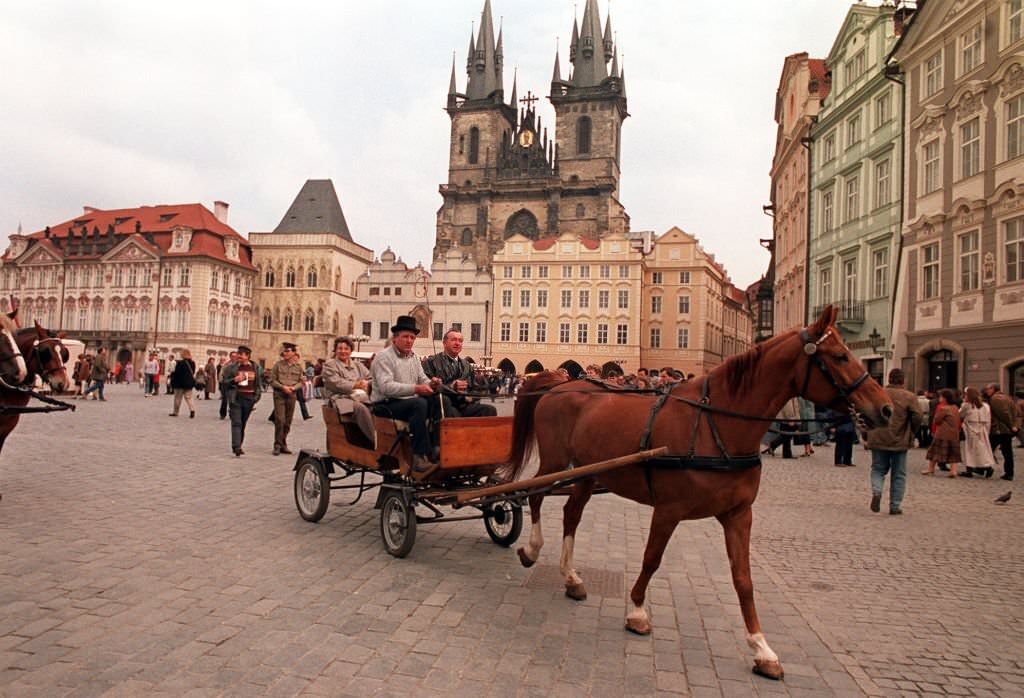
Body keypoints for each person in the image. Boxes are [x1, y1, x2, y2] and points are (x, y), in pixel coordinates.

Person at [371, 315, 442, 480]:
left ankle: (437, 447)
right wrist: (416, 388)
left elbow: (422, 379)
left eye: (412, 337)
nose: (409, 340)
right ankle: (419, 457)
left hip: (406, 402)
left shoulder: (414, 357)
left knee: (440, 400)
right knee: (419, 404)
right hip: (385, 404)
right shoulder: (384, 357)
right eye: (405, 337)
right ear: (395, 338)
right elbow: (386, 387)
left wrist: (432, 383)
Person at [864, 368, 923, 515]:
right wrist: (911, 431)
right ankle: (895, 506)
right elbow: (918, 416)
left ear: (889, 379)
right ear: (903, 380)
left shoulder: (878, 393)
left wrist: (866, 433)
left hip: (877, 436)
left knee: (878, 469)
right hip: (899, 438)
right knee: (899, 474)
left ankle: (877, 492)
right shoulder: (909, 396)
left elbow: (865, 412)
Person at [422, 329, 498, 418]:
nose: (457, 343)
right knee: (451, 411)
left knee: (489, 410)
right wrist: (450, 387)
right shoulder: (432, 362)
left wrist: (471, 397)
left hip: (463, 405)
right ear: (444, 343)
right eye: (453, 340)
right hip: (445, 404)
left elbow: (475, 388)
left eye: (460, 341)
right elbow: (427, 386)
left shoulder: (467, 365)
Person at [322, 336, 375, 442]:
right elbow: (336, 384)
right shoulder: (330, 365)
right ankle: (374, 440)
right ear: (335, 350)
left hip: (361, 397)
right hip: (339, 400)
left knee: (380, 407)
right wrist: (356, 385)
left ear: (351, 350)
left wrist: (367, 383)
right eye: (340, 348)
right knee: (360, 409)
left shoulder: (358, 365)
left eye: (346, 348)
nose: (343, 351)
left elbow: (371, 378)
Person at [221, 345, 261, 456]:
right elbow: (224, 383)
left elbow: (258, 384)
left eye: (242, 354)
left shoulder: (255, 367)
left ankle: (239, 444)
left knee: (243, 423)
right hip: (236, 398)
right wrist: (234, 380)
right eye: (238, 353)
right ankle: (236, 447)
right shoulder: (231, 368)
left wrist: (256, 397)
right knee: (236, 423)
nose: (239, 356)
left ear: (247, 356)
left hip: (249, 399)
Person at [268, 342, 304, 455]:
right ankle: (277, 445)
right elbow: (272, 380)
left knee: (288, 421)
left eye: (288, 351)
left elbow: (302, 382)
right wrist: (282, 387)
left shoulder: (298, 367)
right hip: (279, 394)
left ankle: (283, 442)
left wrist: (294, 388)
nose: (285, 353)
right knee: (280, 419)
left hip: (291, 395)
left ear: (294, 353)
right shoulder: (278, 365)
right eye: (284, 351)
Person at [923, 389, 962, 477]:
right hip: (954, 433)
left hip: (942, 433)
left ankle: (930, 469)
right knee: (953, 453)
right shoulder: (955, 407)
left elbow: (936, 420)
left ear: (944, 398)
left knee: (934, 451)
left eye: (941, 397)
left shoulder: (943, 408)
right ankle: (953, 471)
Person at [984, 383, 1019, 481]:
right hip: (1005, 430)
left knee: (988, 449)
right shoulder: (1007, 397)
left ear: (993, 389)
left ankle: (984, 468)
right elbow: (1015, 413)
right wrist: (1013, 425)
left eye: (988, 389)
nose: (987, 391)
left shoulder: (996, 399)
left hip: (999, 430)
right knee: (1007, 452)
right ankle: (1009, 473)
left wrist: (1011, 425)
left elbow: (1004, 414)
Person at [960, 387, 995, 478]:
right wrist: (987, 431)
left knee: (970, 450)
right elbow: (988, 420)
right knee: (982, 449)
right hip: (982, 428)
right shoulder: (985, 406)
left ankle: (970, 469)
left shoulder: (967, 405)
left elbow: (960, 415)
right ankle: (986, 467)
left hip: (970, 428)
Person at [168, 349, 197, 417]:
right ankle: (192, 410)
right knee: (189, 398)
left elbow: (176, 373)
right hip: (188, 383)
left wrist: (171, 376)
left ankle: (176, 412)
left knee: (178, 398)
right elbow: (193, 372)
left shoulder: (180, 363)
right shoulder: (192, 363)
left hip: (179, 383)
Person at [218, 352, 237, 420]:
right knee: (224, 400)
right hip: (225, 385)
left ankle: (232, 413)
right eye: (232, 356)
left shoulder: (238, 365)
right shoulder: (226, 365)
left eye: (235, 356)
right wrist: (221, 382)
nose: (234, 358)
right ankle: (222, 414)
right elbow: (221, 374)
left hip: (234, 385)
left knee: (233, 401)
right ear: (230, 357)